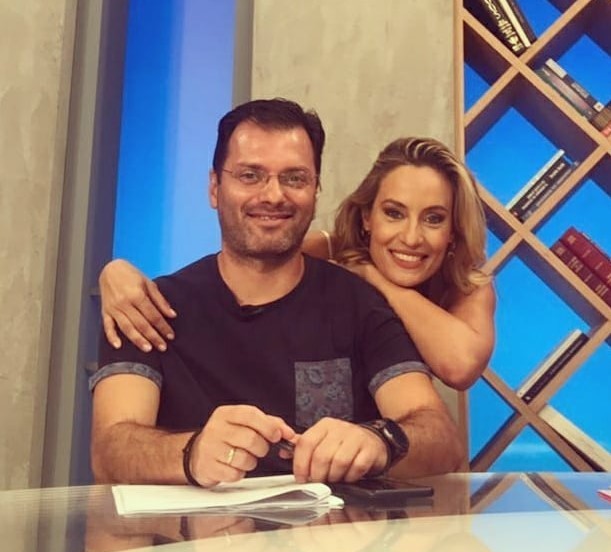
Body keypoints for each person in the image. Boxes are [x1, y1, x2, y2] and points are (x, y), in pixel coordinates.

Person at [90, 98, 463, 488]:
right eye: (250, 175)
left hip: (331, 528)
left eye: (294, 178)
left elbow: (442, 439)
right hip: (185, 528)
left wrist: (380, 441)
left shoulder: (360, 305)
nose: (273, 195)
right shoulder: (149, 308)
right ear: (215, 187)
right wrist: (190, 452)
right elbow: (109, 451)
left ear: (315, 189)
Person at [99, 137, 495, 390]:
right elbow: (238, 265)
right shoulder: (327, 247)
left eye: (433, 219)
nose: (411, 237)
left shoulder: (468, 285)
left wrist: (373, 277)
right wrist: (115, 272)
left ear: (453, 231)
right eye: (394, 213)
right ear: (367, 218)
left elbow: (460, 366)